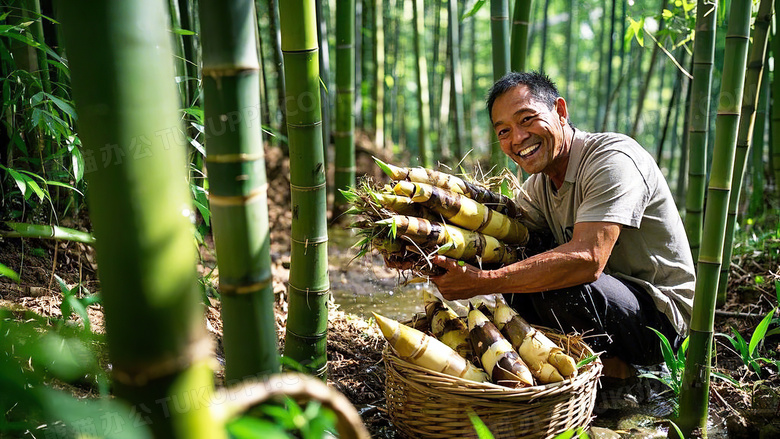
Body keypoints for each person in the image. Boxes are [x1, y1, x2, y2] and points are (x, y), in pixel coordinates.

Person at [428, 72, 695, 378]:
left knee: (558, 282)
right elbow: (494, 240)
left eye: (527, 119)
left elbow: (587, 261)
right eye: (503, 131)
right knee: (519, 259)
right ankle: (587, 369)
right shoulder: (538, 187)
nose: (517, 138)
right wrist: (423, 248)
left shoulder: (612, 159)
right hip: (609, 303)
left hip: (661, 323)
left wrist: (484, 281)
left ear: (561, 111)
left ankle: (623, 376)